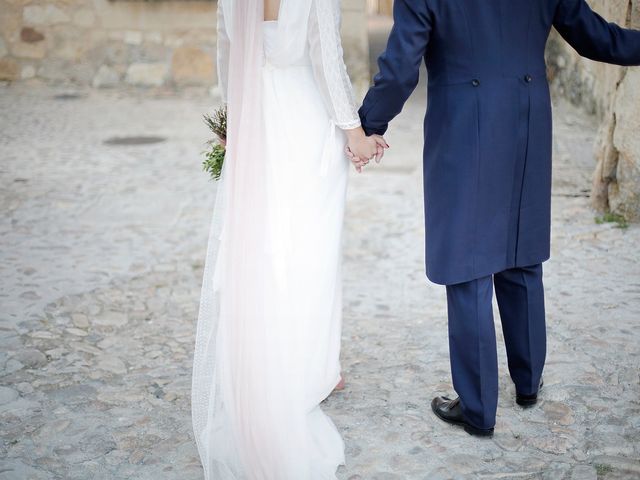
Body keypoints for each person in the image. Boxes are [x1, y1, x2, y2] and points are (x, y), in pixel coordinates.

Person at [353, 0, 640, 437]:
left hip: (463, 127)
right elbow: (597, 37)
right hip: (527, 118)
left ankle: (478, 408)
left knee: (468, 265)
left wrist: (369, 124)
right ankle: (527, 384)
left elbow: (399, 70)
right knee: (520, 250)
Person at [191, 0, 387, 478]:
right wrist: (355, 133)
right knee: (310, 251)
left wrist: (233, 124)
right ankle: (311, 372)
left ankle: (268, 366)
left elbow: (226, 57)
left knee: (262, 249)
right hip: (303, 125)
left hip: (257, 125)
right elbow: (326, 60)